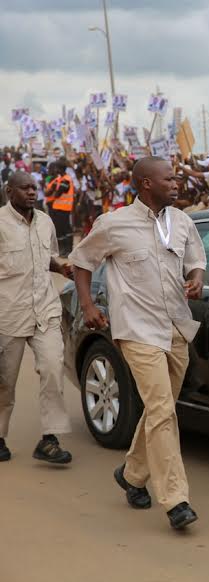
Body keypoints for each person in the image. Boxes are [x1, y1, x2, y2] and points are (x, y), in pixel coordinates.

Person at [70, 156, 206, 530]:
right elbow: (81, 261)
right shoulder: (114, 224)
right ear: (146, 183)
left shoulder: (182, 221)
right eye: (169, 178)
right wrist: (87, 304)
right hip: (137, 330)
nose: (177, 183)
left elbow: (197, 260)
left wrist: (196, 279)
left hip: (176, 328)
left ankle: (132, 474)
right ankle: (176, 499)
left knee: (160, 408)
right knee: (162, 409)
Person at [0, 171, 74, 464]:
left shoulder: (45, 221)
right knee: (5, 382)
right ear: (10, 191)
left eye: (34, 188)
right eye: (25, 188)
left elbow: (47, 259)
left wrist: (61, 268)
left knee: (53, 369)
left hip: (45, 309)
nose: (32, 192)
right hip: (8, 313)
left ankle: (50, 439)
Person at [44, 162, 75, 256]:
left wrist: (52, 194)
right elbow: (48, 192)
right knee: (59, 229)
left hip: (64, 208)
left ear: (61, 169)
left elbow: (57, 194)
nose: (55, 170)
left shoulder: (66, 180)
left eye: (57, 168)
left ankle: (68, 250)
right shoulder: (59, 179)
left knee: (65, 229)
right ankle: (62, 249)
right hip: (57, 208)